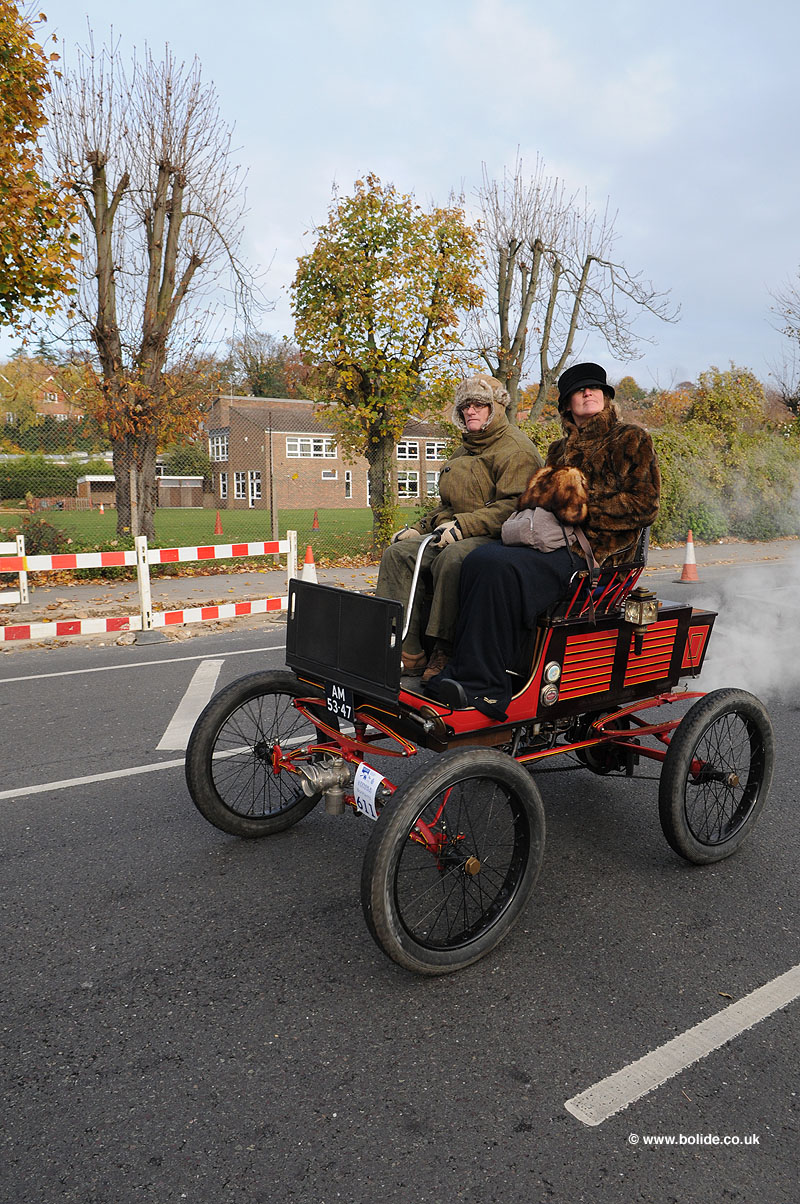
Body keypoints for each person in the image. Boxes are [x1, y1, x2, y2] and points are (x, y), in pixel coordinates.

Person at [425, 362, 661, 719]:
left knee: (502, 569)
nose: (588, 392)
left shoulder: (630, 439)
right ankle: (469, 670)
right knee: (478, 560)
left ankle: (486, 686)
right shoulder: (557, 450)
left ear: (605, 396)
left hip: (598, 554)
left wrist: (577, 508)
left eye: (595, 387)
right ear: (567, 404)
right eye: (579, 390)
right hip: (552, 543)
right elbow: (540, 502)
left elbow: (645, 506)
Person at [376, 373, 542, 681]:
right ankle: (406, 650)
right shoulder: (463, 450)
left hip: (498, 535)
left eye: (479, 404)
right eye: (465, 406)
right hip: (452, 530)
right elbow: (448, 505)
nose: (470, 411)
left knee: (452, 559)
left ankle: (446, 649)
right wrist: (420, 527)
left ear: (496, 407)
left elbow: (515, 506)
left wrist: (464, 526)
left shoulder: (517, 449)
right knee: (397, 554)